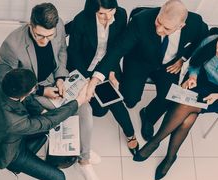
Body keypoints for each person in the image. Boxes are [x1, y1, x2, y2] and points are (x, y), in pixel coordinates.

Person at [0, 2, 101, 180]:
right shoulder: (12, 45)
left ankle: (83, 159)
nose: (44, 41)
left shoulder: (59, 24)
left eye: (49, 36)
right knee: (60, 117)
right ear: (30, 25)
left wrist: (61, 77)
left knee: (86, 108)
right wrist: (40, 90)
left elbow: (62, 51)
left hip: (55, 79)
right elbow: (12, 83)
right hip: (32, 91)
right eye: (39, 35)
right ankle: (72, 156)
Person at [86, 0, 208, 141]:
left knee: (168, 97)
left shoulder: (196, 23)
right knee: (130, 99)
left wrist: (183, 58)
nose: (159, 30)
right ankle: (132, 98)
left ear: (181, 26)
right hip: (139, 61)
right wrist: (96, 78)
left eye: (166, 28)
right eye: (158, 22)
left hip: (168, 66)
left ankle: (148, 116)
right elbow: (117, 50)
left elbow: (202, 38)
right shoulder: (141, 21)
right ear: (160, 11)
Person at [0, 64, 89, 180]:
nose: (35, 90)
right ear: (22, 95)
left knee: (56, 128)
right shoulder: (12, 122)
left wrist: (39, 110)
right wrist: (77, 102)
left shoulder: (1, 70)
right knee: (59, 178)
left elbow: (27, 100)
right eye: (32, 90)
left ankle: (55, 160)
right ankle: (52, 176)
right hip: (6, 149)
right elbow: (47, 122)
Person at [133, 27, 218, 180]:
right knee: (187, 119)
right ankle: (170, 157)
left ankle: (155, 142)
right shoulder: (211, 40)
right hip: (200, 82)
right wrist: (192, 77)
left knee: (184, 106)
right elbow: (196, 61)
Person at [67, 0, 139, 155]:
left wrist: (111, 72)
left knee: (114, 100)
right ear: (92, 10)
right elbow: (73, 52)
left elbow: (117, 48)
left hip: (108, 65)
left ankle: (130, 133)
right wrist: (86, 79)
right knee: (97, 110)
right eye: (101, 13)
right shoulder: (81, 20)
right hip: (83, 66)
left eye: (111, 11)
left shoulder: (121, 15)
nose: (107, 18)